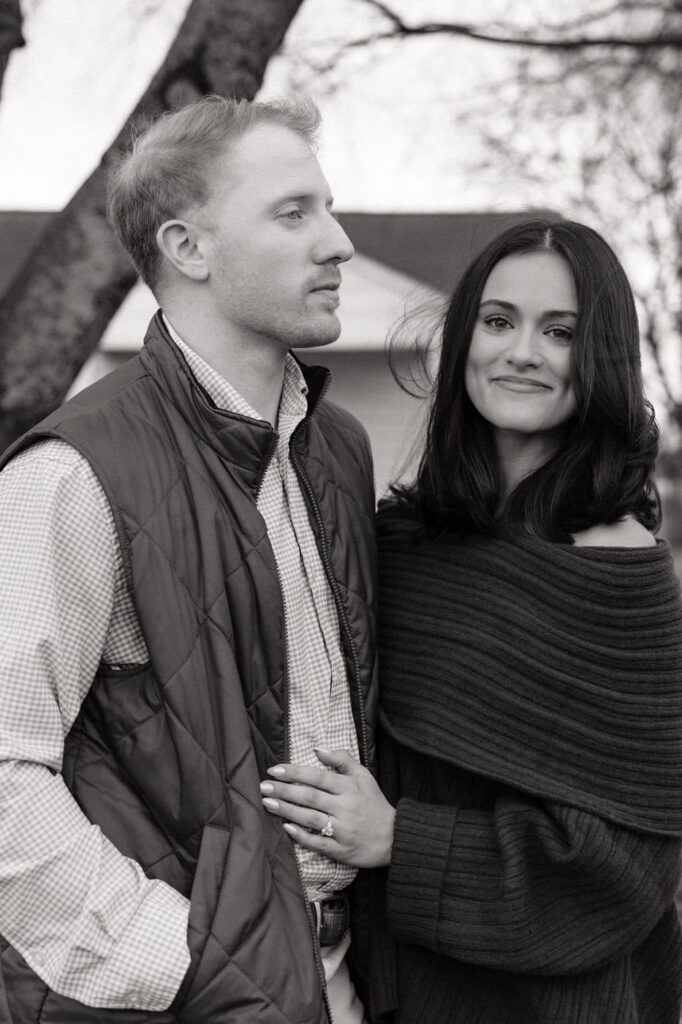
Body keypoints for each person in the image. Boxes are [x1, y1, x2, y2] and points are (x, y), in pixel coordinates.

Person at [0, 95, 378, 1023]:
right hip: (174, 993)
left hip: (343, 976)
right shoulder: (72, 472)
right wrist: (187, 963)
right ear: (188, 247)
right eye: (293, 213)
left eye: (328, 210)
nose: (338, 244)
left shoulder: (339, 448)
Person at [259, 220, 682, 1023]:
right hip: (390, 986)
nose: (522, 352)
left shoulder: (617, 569)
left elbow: (625, 869)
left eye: (560, 332)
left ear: (600, 358)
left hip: (559, 1003)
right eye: (498, 320)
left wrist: (401, 840)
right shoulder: (401, 540)